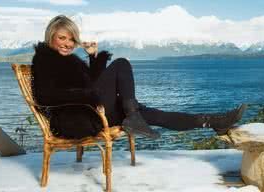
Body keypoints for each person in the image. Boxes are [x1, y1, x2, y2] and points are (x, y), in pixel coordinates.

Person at [32, 15, 247, 140]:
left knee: (151, 114)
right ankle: (133, 116)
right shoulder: (44, 60)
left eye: (71, 39)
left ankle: (213, 121)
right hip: (74, 119)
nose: (67, 43)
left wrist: (94, 57)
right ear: (50, 36)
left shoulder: (68, 61)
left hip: (88, 110)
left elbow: (92, 82)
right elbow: (44, 96)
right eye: (62, 38)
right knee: (121, 64)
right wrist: (87, 95)